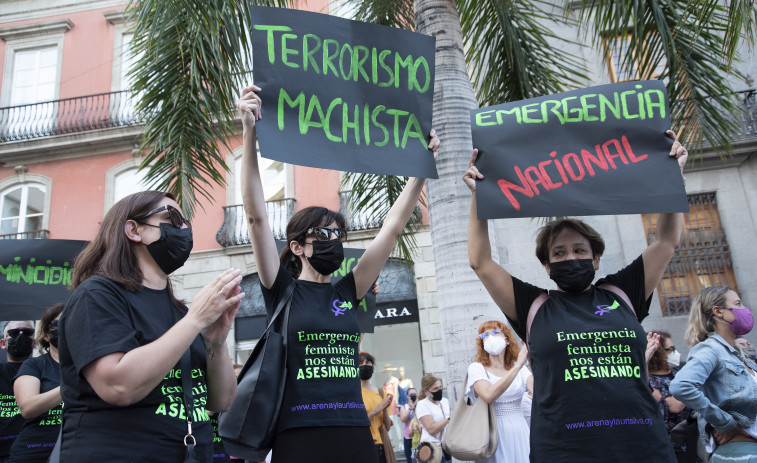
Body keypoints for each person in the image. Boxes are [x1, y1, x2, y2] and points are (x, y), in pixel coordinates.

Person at [237, 83, 439, 463]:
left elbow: (392, 228)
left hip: (352, 432)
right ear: (297, 247)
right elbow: (255, 216)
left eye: (337, 234)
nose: (333, 240)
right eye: (322, 234)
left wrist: (419, 169)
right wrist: (250, 132)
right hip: (296, 434)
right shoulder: (281, 290)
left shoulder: (348, 291)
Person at [464, 130, 689, 462]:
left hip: (642, 445)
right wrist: (478, 196)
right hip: (565, 450)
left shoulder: (623, 291)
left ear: (596, 259)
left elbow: (666, 242)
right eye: (559, 253)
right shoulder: (534, 307)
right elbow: (480, 261)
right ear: (546, 265)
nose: (570, 258)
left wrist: (674, 175)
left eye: (580, 250)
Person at [58, 191, 242, 462]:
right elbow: (118, 386)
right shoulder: (97, 294)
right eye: (173, 218)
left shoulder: (180, 311)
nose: (183, 230)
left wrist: (215, 342)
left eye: (185, 223)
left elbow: (221, 401)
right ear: (134, 230)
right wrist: (195, 321)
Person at [670, 286, 757, 462]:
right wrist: (725, 423)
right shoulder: (710, 349)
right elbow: (681, 386)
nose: (744, 310)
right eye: (738, 304)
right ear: (718, 311)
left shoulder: (739, 354)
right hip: (740, 453)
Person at [466, 321, 532, 463]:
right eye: (485, 335)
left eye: (495, 332)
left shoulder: (518, 366)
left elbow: (539, 391)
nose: (490, 337)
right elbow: (488, 395)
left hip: (519, 429)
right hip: (492, 433)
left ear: (507, 339)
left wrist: (531, 360)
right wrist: (518, 365)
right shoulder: (477, 368)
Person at [10, 304, 63, 463]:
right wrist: (70, 385)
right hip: (34, 452)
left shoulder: (91, 366)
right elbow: (27, 408)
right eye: (57, 325)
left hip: (76, 451)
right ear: (46, 334)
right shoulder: (34, 366)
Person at [647, 330, 692, 459]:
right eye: (669, 349)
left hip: (692, 441)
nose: (674, 353)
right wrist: (692, 390)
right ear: (656, 353)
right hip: (669, 447)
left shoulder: (678, 373)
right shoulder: (649, 380)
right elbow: (674, 406)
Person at [0, 321, 35, 463]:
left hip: (37, 452)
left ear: (35, 342)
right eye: (14, 333)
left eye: (27, 333)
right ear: (3, 343)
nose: (21, 336)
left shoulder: (46, 370)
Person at [360, 352, 394, 463]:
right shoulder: (354, 394)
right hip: (364, 445)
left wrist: (384, 408)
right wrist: (376, 410)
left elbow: (388, 427)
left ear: (373, 367)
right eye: (360, 363)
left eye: (367, 362)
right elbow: (359, 424)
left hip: (381, 446)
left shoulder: (381, 393)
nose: (364, 365)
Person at [415, 374, 451, 462]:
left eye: (440, 387)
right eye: (435, 389)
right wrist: (449, 419)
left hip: (447, 449)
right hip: (432, 451)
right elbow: (431, 429)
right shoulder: (422, 405)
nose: (439, 390)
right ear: (426, 391)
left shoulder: (445, 401)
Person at [399, 387, 419, 463]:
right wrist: (410, 408)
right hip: (408, 436)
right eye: (411, 394)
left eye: (414, 394)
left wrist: (415, 406)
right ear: (407, 396)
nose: (413, 395)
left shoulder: (420, 405)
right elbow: (403, 419)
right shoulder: (404, 406)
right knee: (410, 459)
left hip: (419, 436)